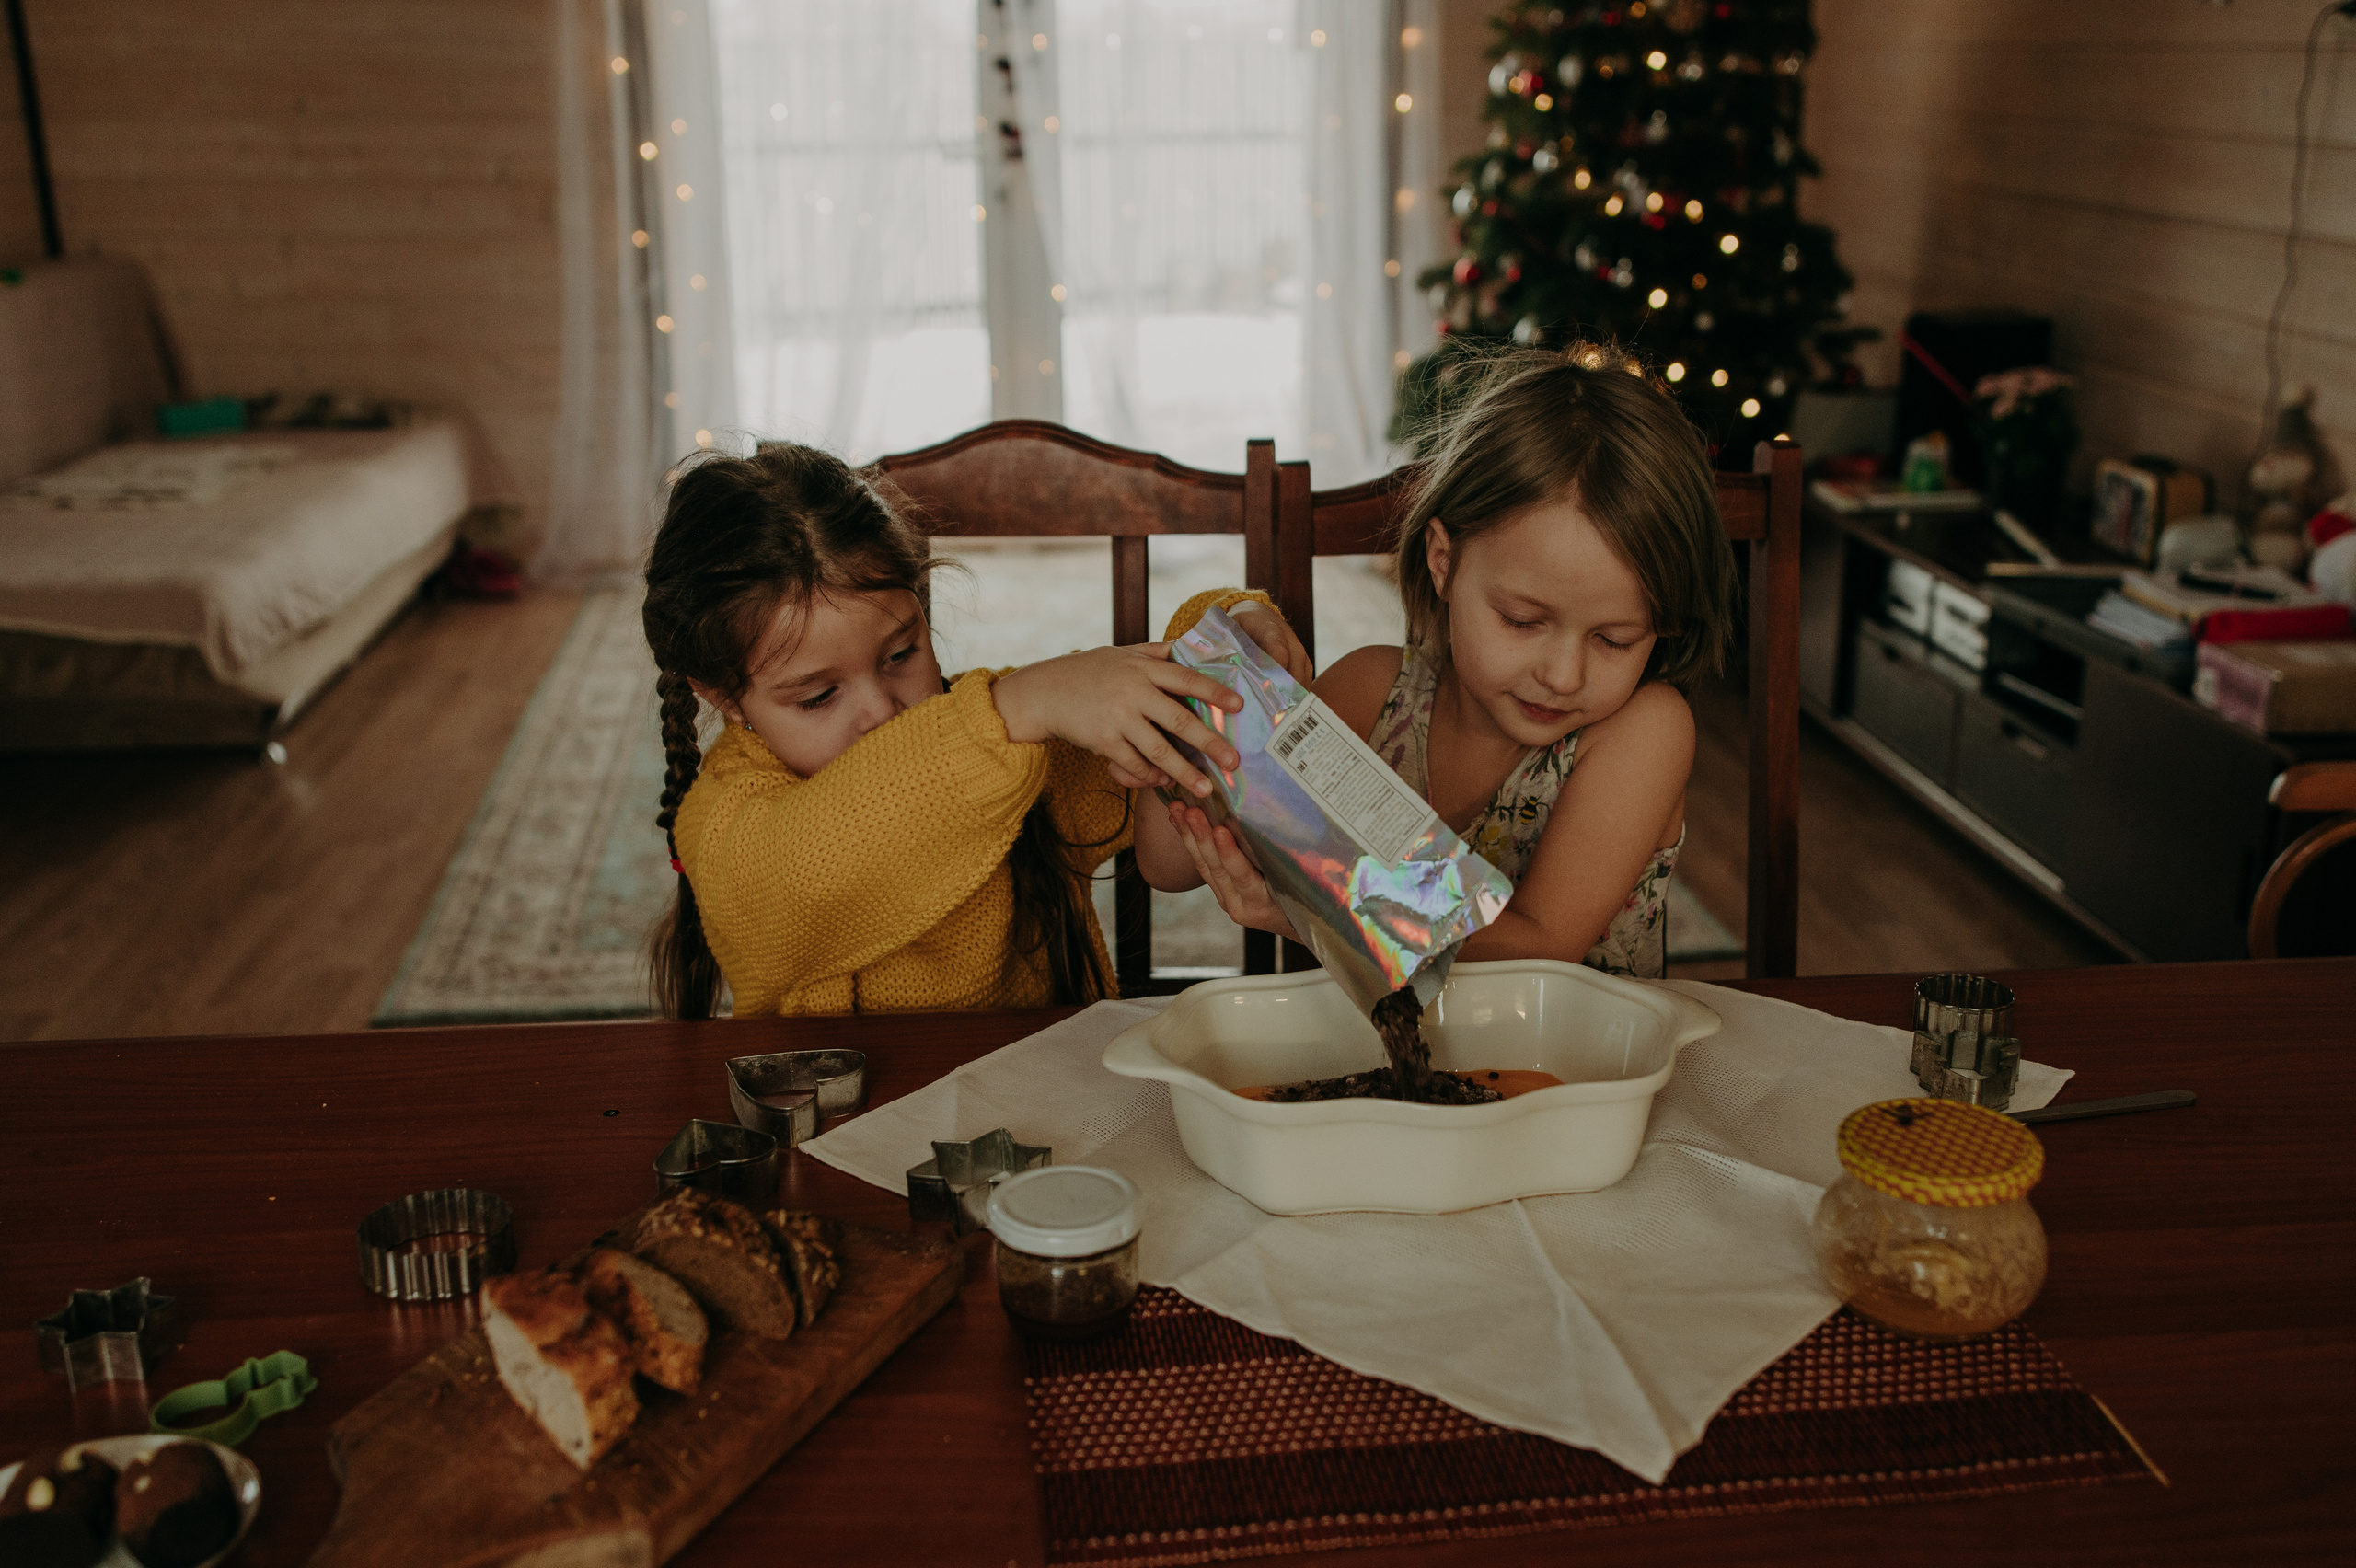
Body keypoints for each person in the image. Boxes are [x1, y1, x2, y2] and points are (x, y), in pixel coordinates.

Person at [640, 443, 1311, 1019]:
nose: (882, 712)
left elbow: (1160, 793)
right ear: (723, 696)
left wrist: (1224, 643)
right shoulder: (725, 822)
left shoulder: (999, 733)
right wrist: (1018, 705)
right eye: (818, 696)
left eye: (901, 655)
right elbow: (805, 869)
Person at [1138, 343, 1738, 978]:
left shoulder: (1642, 730)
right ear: (1444, 561)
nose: (1564, 676)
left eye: (1615, 639)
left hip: (1566, 1070)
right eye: (1522, 621)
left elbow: (1542, 946)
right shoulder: (1371, 695)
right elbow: (1165, 864)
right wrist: (1221, 696)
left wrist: (1306, 911)